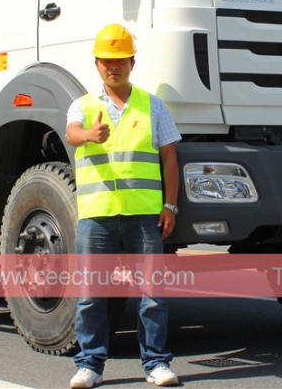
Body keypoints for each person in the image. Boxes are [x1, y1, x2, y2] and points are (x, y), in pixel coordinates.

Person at [66, 24, 181, 389]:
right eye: (106, 61)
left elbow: (170, 159)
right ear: (97, 64)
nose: (112, 67)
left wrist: (171, 207)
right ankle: (89, 366)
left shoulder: (153, 105)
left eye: (120, 60)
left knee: (151, 295)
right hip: (97, 216)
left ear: (132, 61)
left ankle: (156, 364)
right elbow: (71, 134)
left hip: (144, 215)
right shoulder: (83, 105)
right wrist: (88, 135)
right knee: (91, 297)